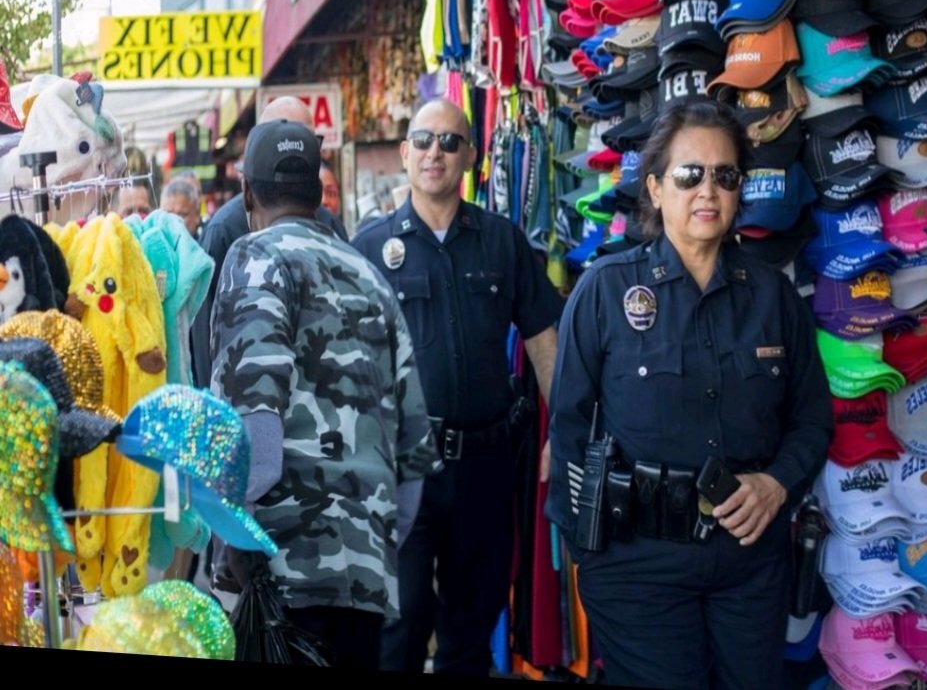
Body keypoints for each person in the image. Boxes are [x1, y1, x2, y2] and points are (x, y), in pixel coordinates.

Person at [545, 102, 833, 690]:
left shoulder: (773, 298)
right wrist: (591, 554)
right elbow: (569, 430)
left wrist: (777, 483)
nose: (708, 190)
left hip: (749, 567)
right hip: (638, 568)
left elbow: (812, 420)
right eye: (689, 174)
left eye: (725, 175)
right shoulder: (605, 292)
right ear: (655, 188)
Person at [209, 118, 438, 669]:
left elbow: (253, 423)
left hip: (280, 569)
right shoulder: (369, 273)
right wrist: (369, 539)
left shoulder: (254, 256)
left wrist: (235, 540)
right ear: (317, 191)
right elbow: (412, 453)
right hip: (364, 574)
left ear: (247, 194)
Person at [352, 97, 564, 677]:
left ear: (470, 155)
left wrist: (563, 431)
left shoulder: (503, 242)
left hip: (484, 462)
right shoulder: (368, 249)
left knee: (474, 623)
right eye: (423, 141)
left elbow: (543, 337)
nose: (435, 153)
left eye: (449, 142)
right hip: (403, 469)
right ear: (404, 153)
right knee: (401, 619)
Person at [190, 96, 348, 389]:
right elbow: (205, 342)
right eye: (282, 140)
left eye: (306, 141)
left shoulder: (331, 226)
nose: (296, 153)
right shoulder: (226, 231)